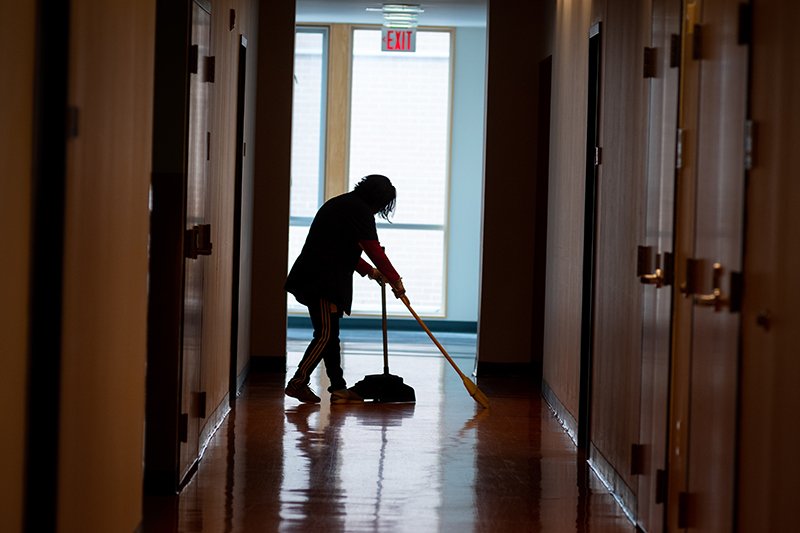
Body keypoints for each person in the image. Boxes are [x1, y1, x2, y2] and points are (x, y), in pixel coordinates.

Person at [284, 174, 405, 404]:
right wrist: (395, 281)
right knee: (326, 335)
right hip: (321, 280)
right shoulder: (359, 211)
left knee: (330, 336)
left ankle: (339, 388)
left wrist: (371, 271)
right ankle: (298, 383)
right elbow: (373, 249)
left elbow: (341, 246)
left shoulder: (345, 204)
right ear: (378, 200)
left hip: (320, 277)